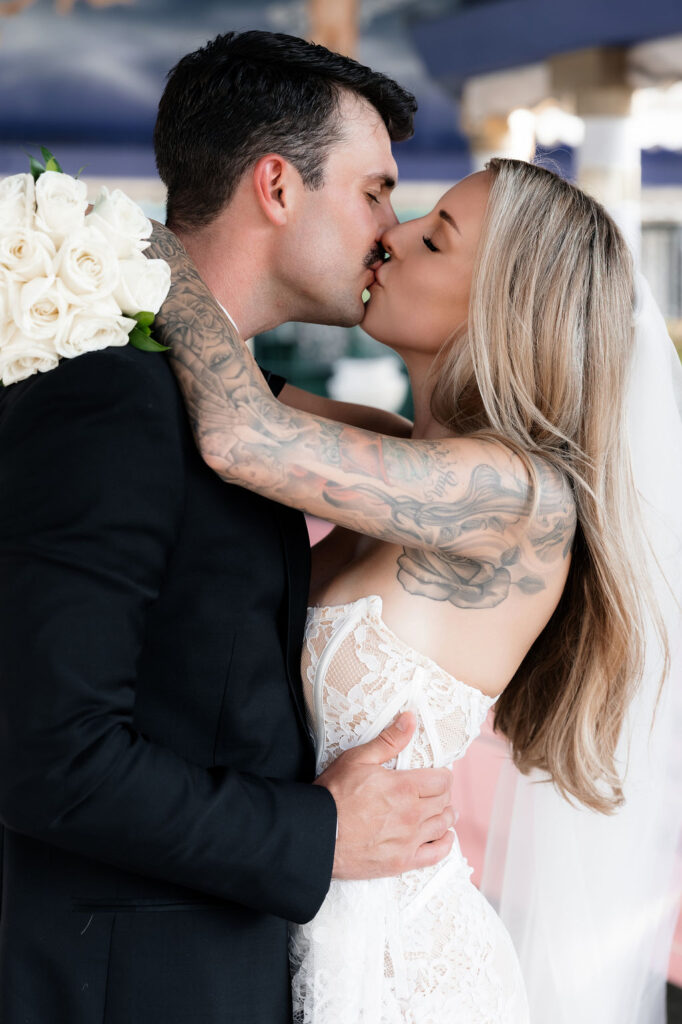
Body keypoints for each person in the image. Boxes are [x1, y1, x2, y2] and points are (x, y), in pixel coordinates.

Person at [145, 157, 681, 1022]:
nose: (388, 240)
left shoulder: (513, 492)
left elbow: (239, 434)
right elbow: (225, 384)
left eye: (432, 239)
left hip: (407, 974)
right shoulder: (400, 451)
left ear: (499, 308)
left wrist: (125, 244)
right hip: (289, 921)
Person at [0, 32, 458, 1024]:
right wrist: (316, 831)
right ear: (277, 187)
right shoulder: (114, 398)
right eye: (375, 191)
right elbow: (48, 754)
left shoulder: (240, 413)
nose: (389, 228)